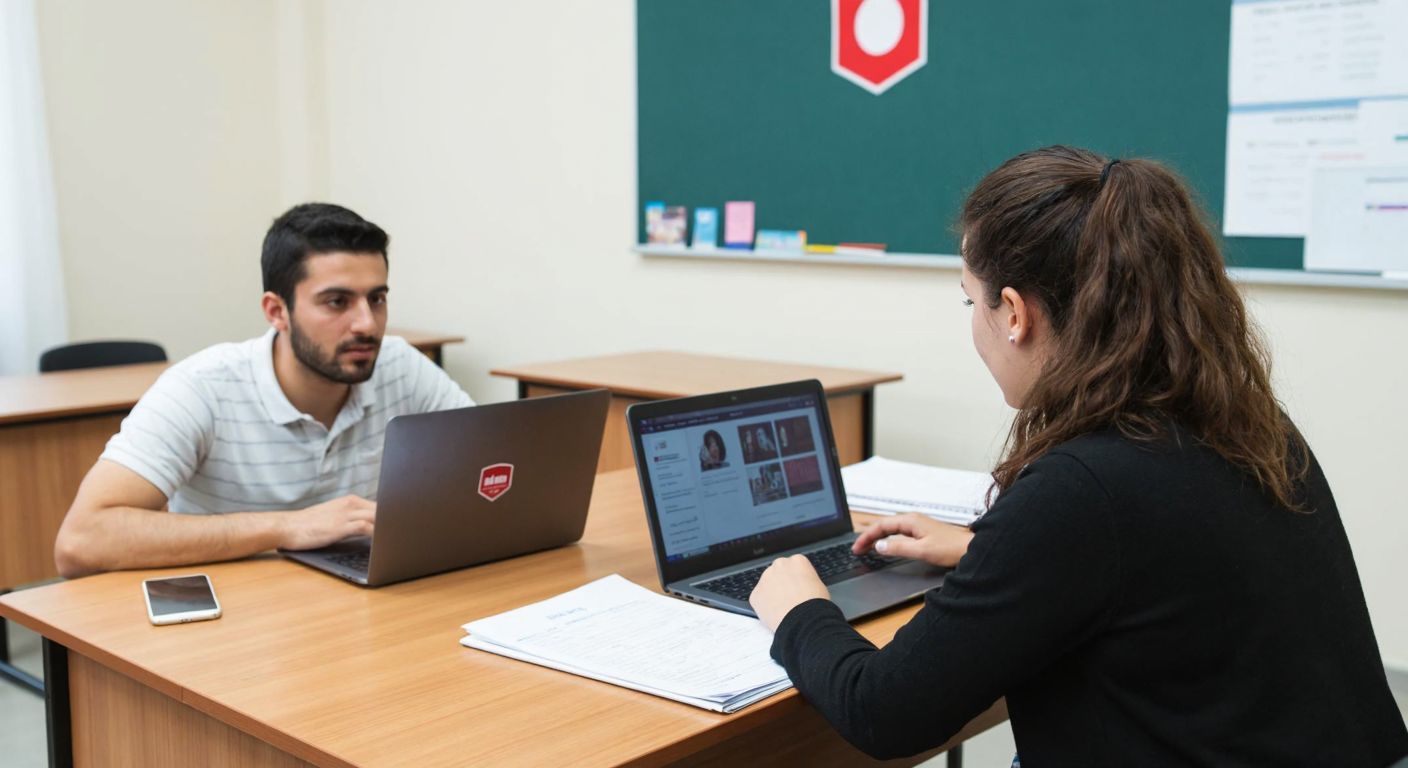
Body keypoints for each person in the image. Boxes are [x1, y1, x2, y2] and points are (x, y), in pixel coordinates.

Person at [748, 146, 1408, 765]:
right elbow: (1158, 566)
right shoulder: (1244, 421)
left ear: (1013, 312)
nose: (972, 323)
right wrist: (988, 549)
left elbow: (884, 712)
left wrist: (800, 609)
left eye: (969, 300)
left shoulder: (1083, 489)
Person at [54, 203, 474, 578]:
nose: (366, 323)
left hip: (359, 604)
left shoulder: (400, 365)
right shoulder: (201, 388)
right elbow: (81, 541)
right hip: (238, 624)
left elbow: (488, 469)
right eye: (336, 302)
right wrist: (287, 526)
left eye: (376, 299)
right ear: (277, 311)